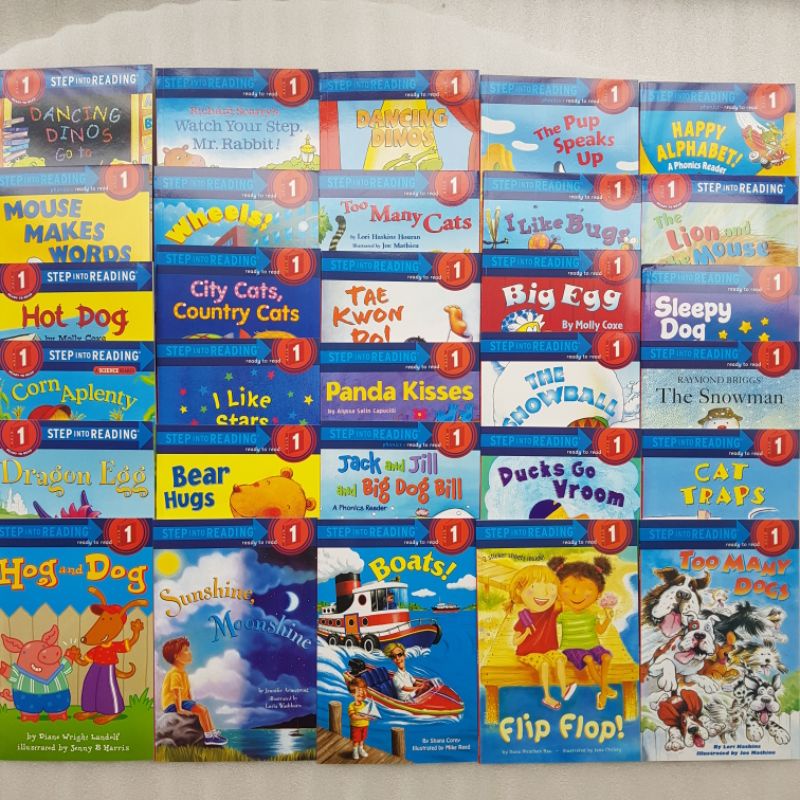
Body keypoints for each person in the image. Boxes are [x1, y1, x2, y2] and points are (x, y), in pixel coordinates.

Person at [548, 556, 618, 710]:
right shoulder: (563, 615)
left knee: (607, 657)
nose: (576, 594)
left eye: (587, 589)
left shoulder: (591, 615)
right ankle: (604, 690)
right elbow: (548, 622)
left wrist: (608, 619)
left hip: (593, 645)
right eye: (568, 587)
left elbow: (600, 630)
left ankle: (603, 691)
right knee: (588, 659)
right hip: (572, 648)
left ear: (598, 594)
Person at [506, 563, 575, 710]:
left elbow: (563, 601)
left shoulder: (551, 611)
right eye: (534, 588)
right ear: (519, 591)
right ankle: (547, 697)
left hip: (548, 650)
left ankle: (564, 689)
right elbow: (515, 641)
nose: (544, 594)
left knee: (559, 659)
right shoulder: (524, 618)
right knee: (544, 664)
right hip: (528, 653)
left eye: (550, 589)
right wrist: (525, 633)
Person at [161, 637, 227, 747]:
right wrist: (180, 710)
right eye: (186, 650)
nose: (190, 652)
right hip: (172, 704)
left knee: (203, 709)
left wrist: (192, 704)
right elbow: (176, 693)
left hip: (182, 701)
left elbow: (187, 692)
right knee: (202, 710)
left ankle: (212, 733)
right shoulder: (175, 673)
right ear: (176, 656)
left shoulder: (182, 673)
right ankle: (209, 737)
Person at [347, 676, 371, 760]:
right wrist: (363, 717)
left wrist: (369, 717)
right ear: (352, 694)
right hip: (356, 726)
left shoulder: (364, 704)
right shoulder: (351, 705)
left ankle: (361, 749)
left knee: (362, 739)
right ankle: (355, 751)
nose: (362, 693)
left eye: (363, 690)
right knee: (356, 740)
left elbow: (367, 715)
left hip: (365, 725)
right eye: (359, 691)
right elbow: (352, 716)